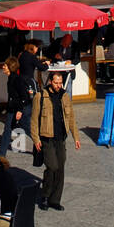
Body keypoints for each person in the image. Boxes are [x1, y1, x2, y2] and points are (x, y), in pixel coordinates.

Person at [30, 70, 80, 211]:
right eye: (56, 83)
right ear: (50, 81)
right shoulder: (40, 96)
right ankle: (45, 196)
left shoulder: (64, 96)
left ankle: (55, 200)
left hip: (60, 138)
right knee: (52, 166)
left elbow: (71, 118)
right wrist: (35, 139)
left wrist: (76, 137)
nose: (59, 85)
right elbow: (34, 120)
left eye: (60, 83)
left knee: (60, 168)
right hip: (46, 138)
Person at [0, 56, 30, 154]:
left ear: (10, 67)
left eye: (5, 65)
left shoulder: (17, 80)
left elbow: (24, 97)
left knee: (27, 128)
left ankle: (43, 145)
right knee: (7, 129)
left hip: (19, 109)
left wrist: (20, 110)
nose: (3, 67)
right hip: (13, 108)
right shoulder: (11, 78)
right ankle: (1, 153)